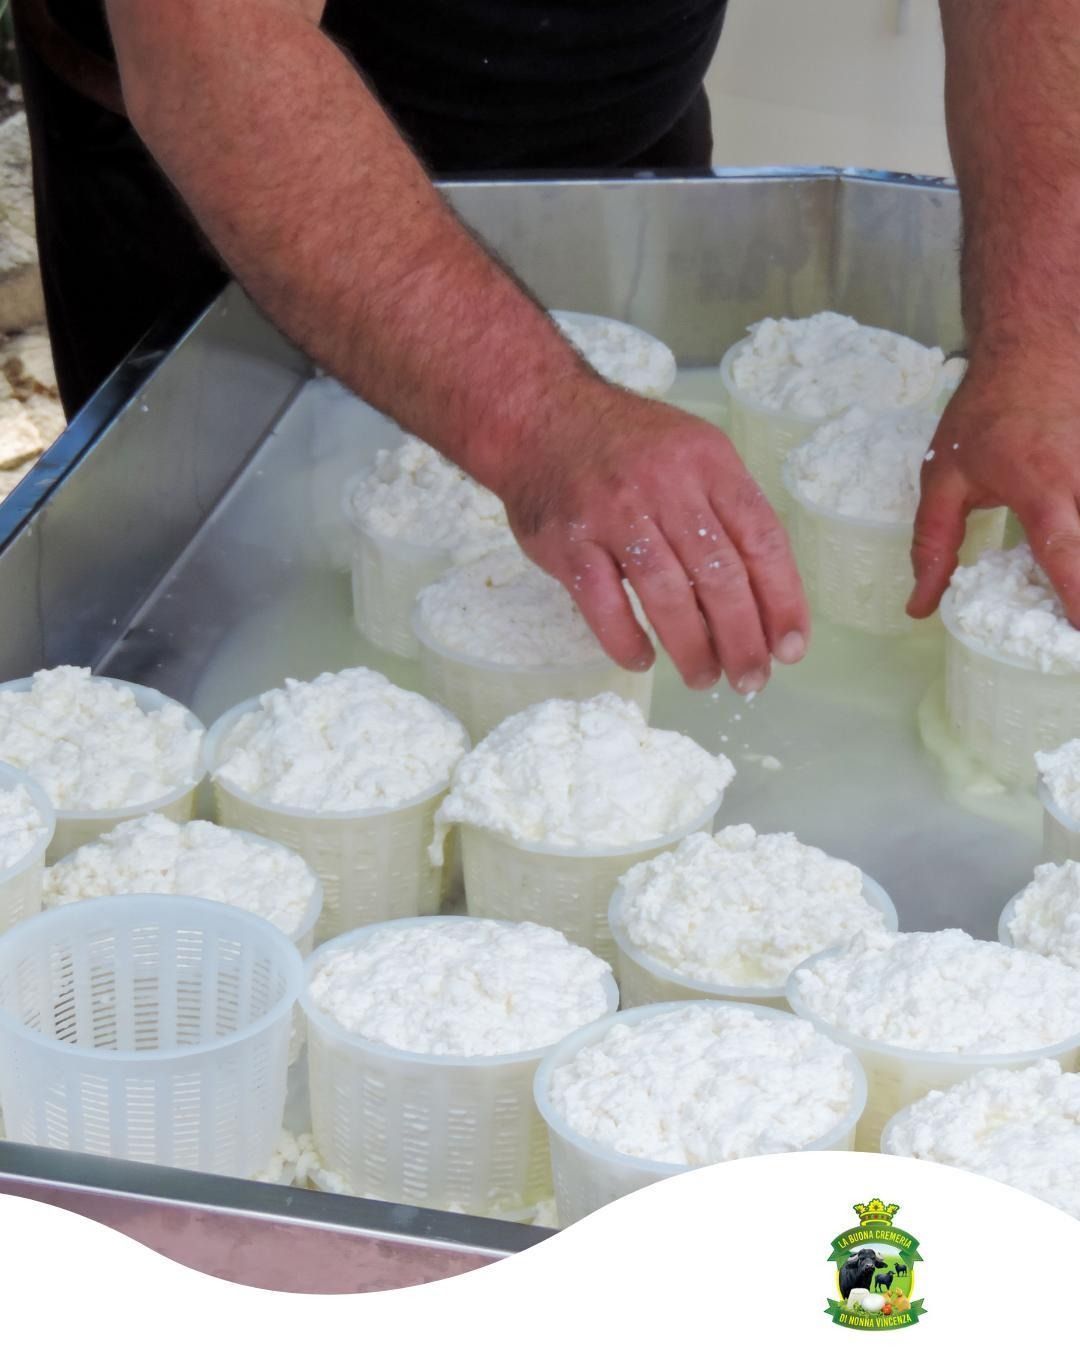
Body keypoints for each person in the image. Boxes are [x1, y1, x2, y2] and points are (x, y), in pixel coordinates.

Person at [11, 2, 1073, 694]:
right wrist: (539, 416)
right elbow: (212, 41)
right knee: (202, 659)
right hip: (237, 171)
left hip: (603, 107)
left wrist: (1041, 336)